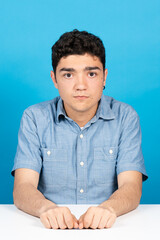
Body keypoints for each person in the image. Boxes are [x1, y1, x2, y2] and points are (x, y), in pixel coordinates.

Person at [11, 29, 148, 230]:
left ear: (104, 77)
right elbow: (23, 187)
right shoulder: (34, 118)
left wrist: (108, 209)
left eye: (91, 73)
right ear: (54, 79)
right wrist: (46, 209)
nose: (81, 85)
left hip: (109, 229)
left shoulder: (125, 117)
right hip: (48, 229)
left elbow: (132, 186)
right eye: (68, 75)